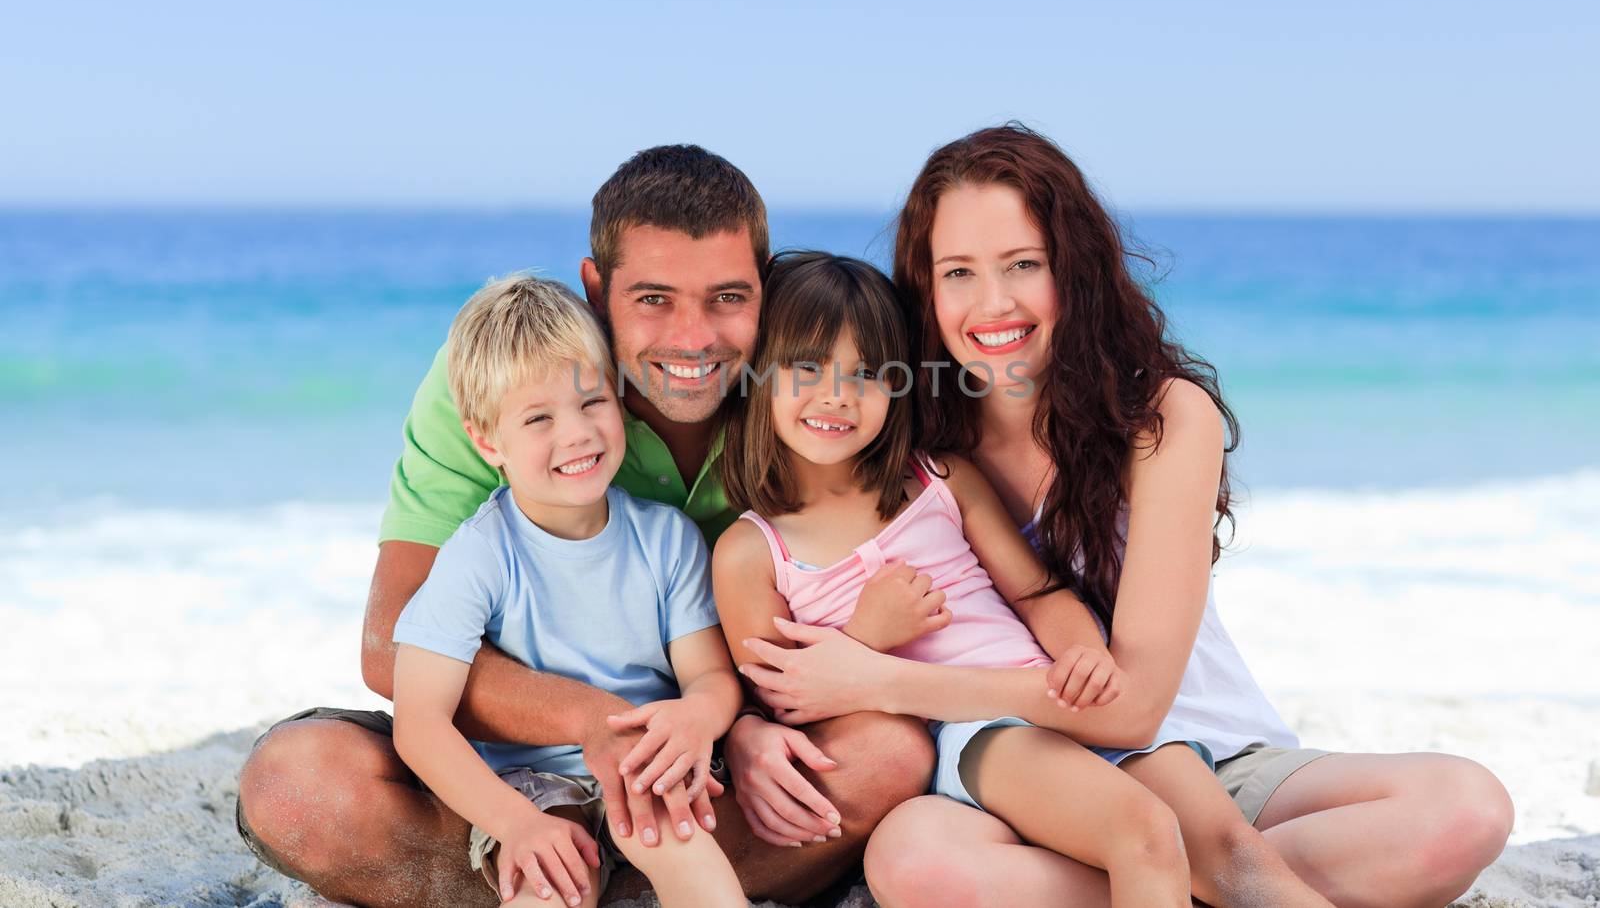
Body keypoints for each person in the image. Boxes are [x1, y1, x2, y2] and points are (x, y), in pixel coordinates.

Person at [739, 125, 1516, 908]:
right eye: (959, 272)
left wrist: (882, 677)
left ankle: (1191, 880)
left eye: (1024, 265)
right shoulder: (919, 443)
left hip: (1199, 750)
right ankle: (1185, 884)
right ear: (924, 288)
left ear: (1072, 269)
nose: (993, 303)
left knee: (1464, 810)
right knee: (916, 861)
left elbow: (1135, 704)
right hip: (1026, 772)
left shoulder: (1163, 417)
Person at [235, 146, 934, 908]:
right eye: (655, 299)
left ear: (763, 287)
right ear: (597, 289)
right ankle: (562, 869)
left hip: (693, 770)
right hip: (517, 776)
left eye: (727, 297)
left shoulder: (811, 391)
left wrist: (729, 727)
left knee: (887, 755)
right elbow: (389, 649)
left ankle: (627, 882)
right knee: (294, 783)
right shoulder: (504, 380)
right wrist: (589, 722)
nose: (694, 339)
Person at [721, 251, 1343, 908]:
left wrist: (1083, 653)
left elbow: (1038, 590)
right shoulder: (752, 553)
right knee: (1145, 832)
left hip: (1052, 695)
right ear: (758, 376)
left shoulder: (939, 479)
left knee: (1233, 853)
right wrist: (866, 633)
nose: (837, 396)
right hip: (980, 733)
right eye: (808, 368)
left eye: (867, 373)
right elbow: (786, 703)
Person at [391, 273, 745, 908]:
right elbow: (419, 723)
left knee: (677, 838)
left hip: (649, 761)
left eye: (592, 404)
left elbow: (711, 678)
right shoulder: (478, 555)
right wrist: (516, 824)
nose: (576, 434)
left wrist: (696, 717)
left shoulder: (666, 538)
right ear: (485, 440)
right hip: (531, 781)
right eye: (538, 418)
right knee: (550, 882)